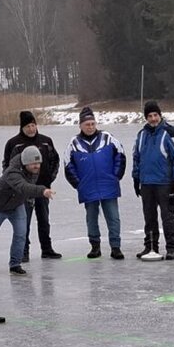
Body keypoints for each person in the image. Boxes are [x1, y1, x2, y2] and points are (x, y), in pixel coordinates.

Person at [0, 146, 54, 275]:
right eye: (34, 163)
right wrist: (42, 190)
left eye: (38, 163)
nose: (37, 166)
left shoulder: (33, 169)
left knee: (21, 233)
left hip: (16, 204)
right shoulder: (12, 172)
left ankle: (15, 264)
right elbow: (23, 186)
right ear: (25, 162)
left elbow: (27, 188)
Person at [65, 106, 126, 259]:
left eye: (93, 124)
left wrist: (116, 176)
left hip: (108, 185)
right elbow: (68, 165)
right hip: (88, 188)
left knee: (113, 217)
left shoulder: (108, 138)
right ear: (80, 125)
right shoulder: (74, 143)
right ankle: (95, 247)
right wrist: (79, 184)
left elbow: (120, 156)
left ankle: (116, 247)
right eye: (87, 124)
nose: (90, 127)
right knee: (91, 218)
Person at [3, 110, 62, 262]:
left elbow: (55, 160)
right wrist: (15, 185)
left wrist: (50, 178)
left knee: (44, 220)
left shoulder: (46, 141)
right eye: (28, 126)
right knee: (24, 222)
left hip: (43, 189)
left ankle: (47, 249)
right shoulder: (13, 143)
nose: (31, 129)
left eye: (33, 125)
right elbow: (7, 167)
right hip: (23, 191)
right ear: (22, 127)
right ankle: (24, 251)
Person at [132, 100, 174, 260]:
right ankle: (150, 246)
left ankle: (171, 247)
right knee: (149, 217)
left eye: (155, 115)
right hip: (147, 183)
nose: (153, 118)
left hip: (165, 183)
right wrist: (136, 179)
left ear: (160, 115)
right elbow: (136, 158)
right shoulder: (141, 135)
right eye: (150, 116)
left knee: (167, 216)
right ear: (146, 118)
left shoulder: (170, 133)